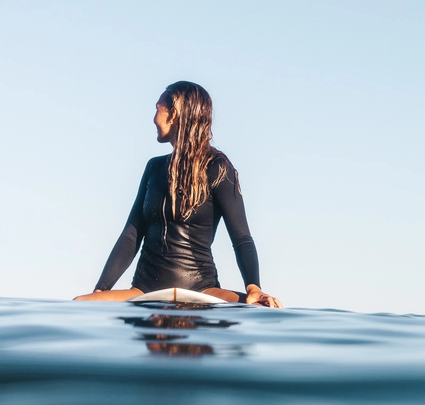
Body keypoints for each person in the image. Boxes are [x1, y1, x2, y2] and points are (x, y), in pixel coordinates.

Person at [76, 82, 281, 307]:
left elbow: (241, 238)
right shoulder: (154, 168)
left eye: (158, 108)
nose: (154, 117)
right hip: (144, 289)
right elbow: (131, 236)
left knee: (264, 306)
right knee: (82, 302)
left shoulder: (218, 168)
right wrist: (100, 290)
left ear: (174, 113)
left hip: (202, 289)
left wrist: (253, 287)